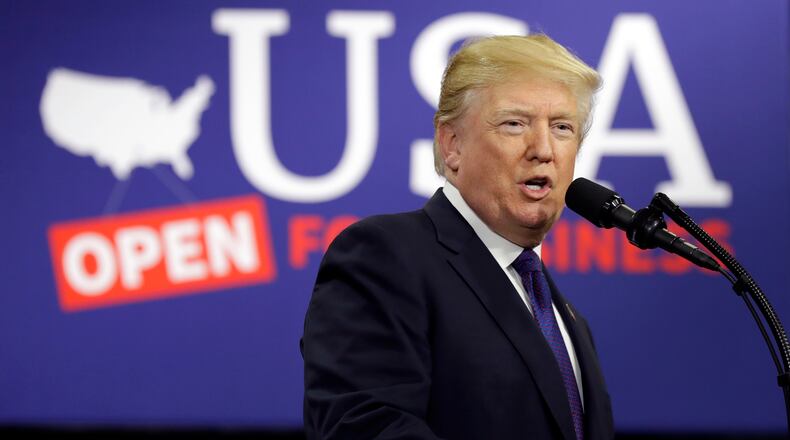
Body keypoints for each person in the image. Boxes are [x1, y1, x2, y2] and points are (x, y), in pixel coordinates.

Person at [301, 34, 614, 440]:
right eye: (514, 123)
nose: (543, 149)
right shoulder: (386, 257)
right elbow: (364, 426)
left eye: (562, 127)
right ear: (452, 145)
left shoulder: (564, 316)